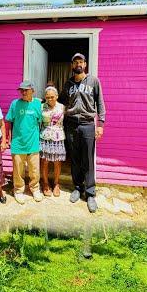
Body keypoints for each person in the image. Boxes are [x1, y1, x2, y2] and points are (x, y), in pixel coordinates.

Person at [58, 53, 106, 213]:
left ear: (85, 64)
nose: (78, 64)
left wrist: (100, 124)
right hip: (71, 124)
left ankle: (90, 193)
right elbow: (62, 102)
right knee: (75, 158)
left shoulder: (94, 81)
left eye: (81, 61)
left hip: (87, 125)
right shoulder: (68, 83)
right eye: (75, 62)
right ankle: (77, 188)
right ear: (72, 66)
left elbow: (100, 103)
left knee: (87, 159)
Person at [6, 80, 43, 203]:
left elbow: (41, 122)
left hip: (33, 142)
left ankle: (35, 188)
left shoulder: (38, 104)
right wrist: (9, 138)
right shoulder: (15, 104)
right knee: (18, 169)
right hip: (18, 142)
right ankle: (18, 190)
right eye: (21, 90)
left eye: (26, 90)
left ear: (33, 91)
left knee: (34, 169)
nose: (23, 92)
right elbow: (10, 122)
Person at [40, 86, 66, 197]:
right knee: (45, 161)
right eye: (47, 97)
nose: (50, 99)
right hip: (45, 137)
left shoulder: (62, 107)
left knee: (57, 162)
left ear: (57, 96)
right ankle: (45, 183)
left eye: (52, 97)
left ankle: (56, 183)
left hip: (58, 137)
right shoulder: (41, 107)